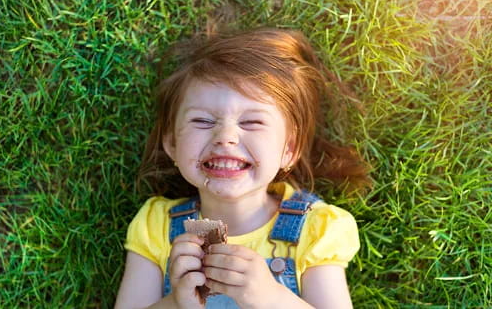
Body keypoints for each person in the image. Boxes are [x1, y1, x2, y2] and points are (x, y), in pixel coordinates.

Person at [114, 27, 371, 309]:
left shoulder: (313, 231)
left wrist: (272, 299)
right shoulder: (157, 227)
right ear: (172, 144)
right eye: (202, 121)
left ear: (289, 149)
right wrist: (176, 302)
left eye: (252, 122)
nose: (225, 136)